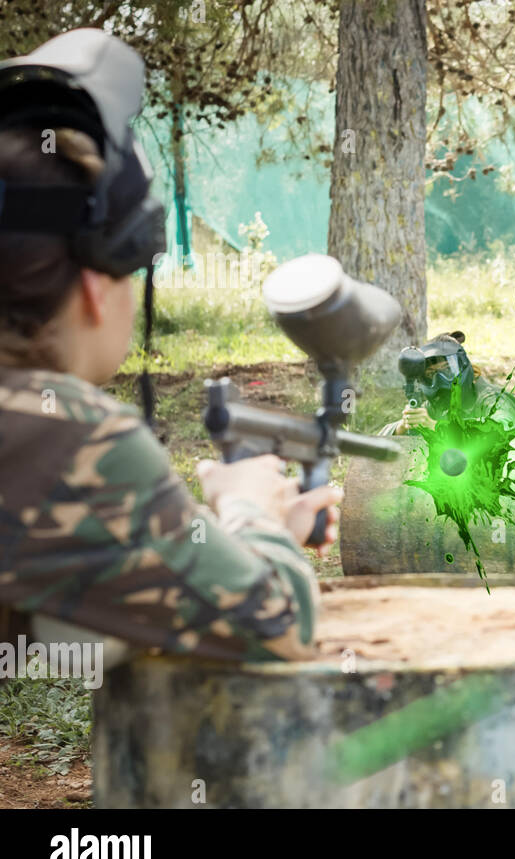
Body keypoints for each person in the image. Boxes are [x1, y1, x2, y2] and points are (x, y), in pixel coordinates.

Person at [0, 30, 339, 662]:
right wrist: (248, 513)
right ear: (100, 284)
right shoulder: (67, 435)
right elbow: (277, 626)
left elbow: (55, 626)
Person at [380, 331, 515, 435]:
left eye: (447, 370)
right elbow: (376, 446)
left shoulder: (495, 400)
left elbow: (501, 429)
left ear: (464, 367)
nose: (439, 380)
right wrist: (402, 428)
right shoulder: (434, 408)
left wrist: (436, 427)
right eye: (431, 374)